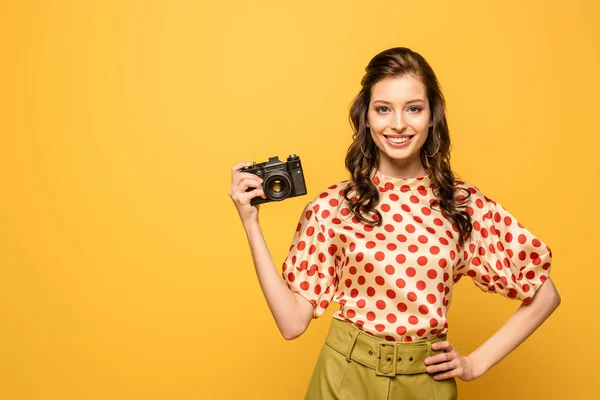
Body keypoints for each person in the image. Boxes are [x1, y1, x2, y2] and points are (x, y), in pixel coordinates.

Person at [228, 47, 561, 400]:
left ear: (432, 116)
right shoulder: (332, 207)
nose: (398, 124)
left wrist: (475, 364)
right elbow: (292, 323)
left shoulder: (463, 205)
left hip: (425, 382)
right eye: (383, 109)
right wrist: (251, 223)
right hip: (344, 376)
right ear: (366, 118)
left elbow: (545, 294)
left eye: (413, 108)